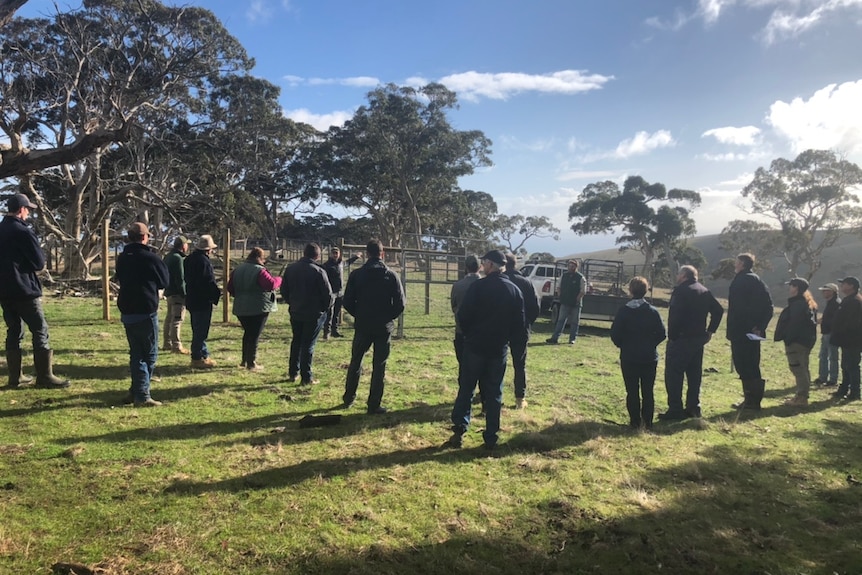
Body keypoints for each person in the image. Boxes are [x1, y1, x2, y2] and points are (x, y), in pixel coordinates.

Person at [449, 250, 525, 449]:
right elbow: (520, 324)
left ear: (490, 265)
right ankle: (491, 436)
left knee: (467, 388)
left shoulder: (478, 287)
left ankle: (459, 428)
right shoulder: (514, 290)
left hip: (475, 346)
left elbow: (463, 316)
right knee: (494, 393)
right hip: (498, 348)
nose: (482, 265)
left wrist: (469, 335)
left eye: (484, 262)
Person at [0, 193, 70, 389]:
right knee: (40, 329)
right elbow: (38, 263)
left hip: (4, 290)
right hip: (24, 289)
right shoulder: (23, 232)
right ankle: (45, 376)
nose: (29, 212)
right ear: (22, 210)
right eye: (28, 209)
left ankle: (15, 376)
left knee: (14, 331)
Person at [341, 239, 405, 414]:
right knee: (379, 365)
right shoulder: (391, 275)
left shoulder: (357, 275)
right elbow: (400, 303)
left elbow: (347, 301)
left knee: (356, 361)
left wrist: (359, 314)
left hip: (363, 324)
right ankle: (374, 403)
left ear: (367, 254)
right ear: (382, 254)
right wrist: (387, 317)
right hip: (383, 326)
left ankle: (349, 398)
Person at [659, 265, 724, 420]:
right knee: (694, 375)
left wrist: (672, 335)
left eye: (679, 273)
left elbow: (675, 315)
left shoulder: (681, 290)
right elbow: (718, 310)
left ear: (684, 275)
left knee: (674, 374)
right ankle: (693, 408)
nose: (677, 276)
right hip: (698, 339)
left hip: (681, 339)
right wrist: (710, 330)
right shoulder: (704, 290)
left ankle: (675, 410)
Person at [115, 222, 169, 407]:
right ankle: (142, 395)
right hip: (145, 310)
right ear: (145, 237)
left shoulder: (122, 258)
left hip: (127, 310)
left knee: (136, 352)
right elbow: (164, 281)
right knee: (149, 354)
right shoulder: (150, 258)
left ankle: (135, 390)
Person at [610, 276, 666, 429]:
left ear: (630, 290)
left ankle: (635, 421)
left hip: (629, 357)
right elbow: (662, 334)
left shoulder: (623, 311)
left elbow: (615, 334)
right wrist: (650, 345)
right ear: (646, 290)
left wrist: (623, 345)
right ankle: (647, 422)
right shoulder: (653, 312)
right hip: (649, 357)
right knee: (648, 391)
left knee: (632, 391)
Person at [726, 253, 774, 411]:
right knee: (750, 364)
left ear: (742, 264)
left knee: (746, 364)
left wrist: (757, 325)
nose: (735, 265)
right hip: (749, 330)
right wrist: (760, 326)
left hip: (743, 331)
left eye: (737, 262)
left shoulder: (744, 280)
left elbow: (744, 308)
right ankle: (750, 400)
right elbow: (768, 305)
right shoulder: (756, 280)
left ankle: (752, 402)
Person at [280, 243, 333, 385]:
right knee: (308, 345)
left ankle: (293, 372)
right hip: (314, 313)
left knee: (296, 341)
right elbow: (327, 295)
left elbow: (284, 290)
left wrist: (291, 302)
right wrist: (324, 309)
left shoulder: (291, 269)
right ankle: (306, 377)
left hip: (296, 311)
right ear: (317, 255)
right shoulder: (319, 271)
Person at [227, 247, 282, 371]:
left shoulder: (238, 270)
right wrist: (279, 279)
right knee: (255, 335)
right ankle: (251, 363)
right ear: (260, 258)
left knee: (248, 333)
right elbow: (270, 285)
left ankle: (244, 360)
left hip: (241, 307)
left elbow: (230, 288)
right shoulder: (260, 271)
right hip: (259, 307)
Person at [774, 278, 818, 407]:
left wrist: (788, 338)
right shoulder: (806, 303)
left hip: (796, 342)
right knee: (803, 368)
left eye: (791, 286)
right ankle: (801, 395)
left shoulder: (798, 304)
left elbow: (795, 324)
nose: (790, 288)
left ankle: (801, 398)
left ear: (796, 288)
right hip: (805, 341)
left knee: (798, 369)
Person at [504, 253, 540, 409]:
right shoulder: (526, 283)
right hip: (520, 328)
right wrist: (527, 322)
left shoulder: (498, 281)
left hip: (499, 328)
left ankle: (489, 393)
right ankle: (520, 398)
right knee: (519, 364)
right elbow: (535, 307)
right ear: (516, 264)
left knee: (495, 362)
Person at [184, 234, 221, 368]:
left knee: (197, 327)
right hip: (202, 300)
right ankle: (197, 357)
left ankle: (204, 354)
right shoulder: (204, 262)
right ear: (208, 249)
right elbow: (208, 282)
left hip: (191, 298)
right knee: (201, 330)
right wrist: (216, 295)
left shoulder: (189, 259)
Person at [830, 276, 862, 402]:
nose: (842, 286)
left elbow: (851, 322)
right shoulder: (849, 300)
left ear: (851, 286)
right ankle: (844, 388)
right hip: (847, 339)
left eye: (844, 284)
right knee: (846, 365)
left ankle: (855, 391)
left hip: (852, 339)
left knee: (852, 365)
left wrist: (842, 331)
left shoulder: (854, 301)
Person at [450, 254, 481, 382]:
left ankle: (464, 392)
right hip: (480, 332)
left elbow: (454, 306)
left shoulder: (458, 285)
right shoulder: (485, 284)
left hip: (462, 331)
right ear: (479, 267)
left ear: (466, 268)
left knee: (463, 364)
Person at [321, 246, 361, 340]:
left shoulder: (341, 264)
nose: (335, 255)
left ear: (339, 254)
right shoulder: (327, 265)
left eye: (337, 253)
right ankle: (327, 332)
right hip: (331, 292)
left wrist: (356, 256)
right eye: (333, 253)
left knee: (337, 312)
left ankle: (335, 331)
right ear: (330, 254)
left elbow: (348, 262)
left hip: (339, 292)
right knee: (329, 313)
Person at [546, 259, 585, 345]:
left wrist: (577, 300)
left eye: (573, 266)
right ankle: (555, 338)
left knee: (574, 322)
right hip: (565, 303)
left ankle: (572, 339)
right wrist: (561, 296)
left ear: (576, 267)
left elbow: (582, 291)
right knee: (560, 321)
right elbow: (558, 287)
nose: (571, 267)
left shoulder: (580, 277)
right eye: (570, 266)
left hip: (576, 304)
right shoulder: (564, 276)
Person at [162, 235, 189, 354]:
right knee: (177, 319)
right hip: (177, 293)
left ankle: (167, 343)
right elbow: (180, 278)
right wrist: (184, 293)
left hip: (169, 292)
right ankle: (176, 345)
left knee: (169, 318)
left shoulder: (168, 257)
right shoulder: (178, 258)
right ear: (183, 246)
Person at [814, 283, 841, 386]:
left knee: (833, 357)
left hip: (831, 334)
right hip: (825, 333)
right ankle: (822, 377)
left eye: (826, 290)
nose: (823, 292)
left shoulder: (836, 303)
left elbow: (835, 320)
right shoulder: (830, 303)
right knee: (823, 356)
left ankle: (833, 380)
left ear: (832, 292)